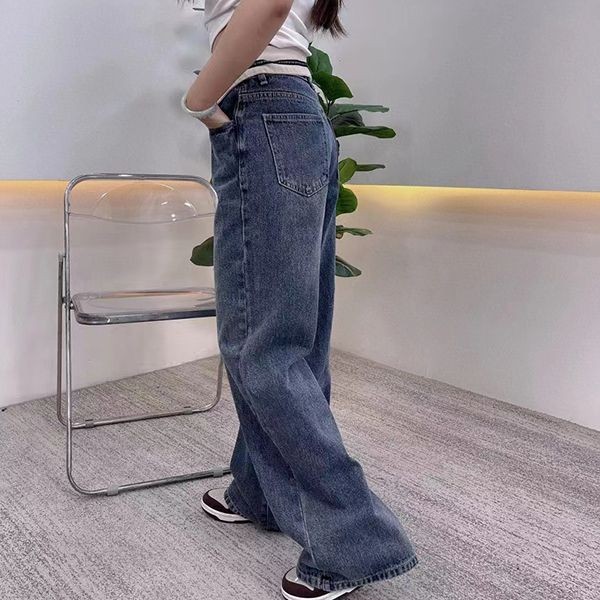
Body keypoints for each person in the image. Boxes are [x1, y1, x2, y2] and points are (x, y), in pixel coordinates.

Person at [180, 1, 419, 598]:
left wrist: (199, 101)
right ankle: (258, 489)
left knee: (261, 346)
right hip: (295, 115)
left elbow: (268, 5)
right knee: (290, 338)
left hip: (263, 112)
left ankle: (353, 543)